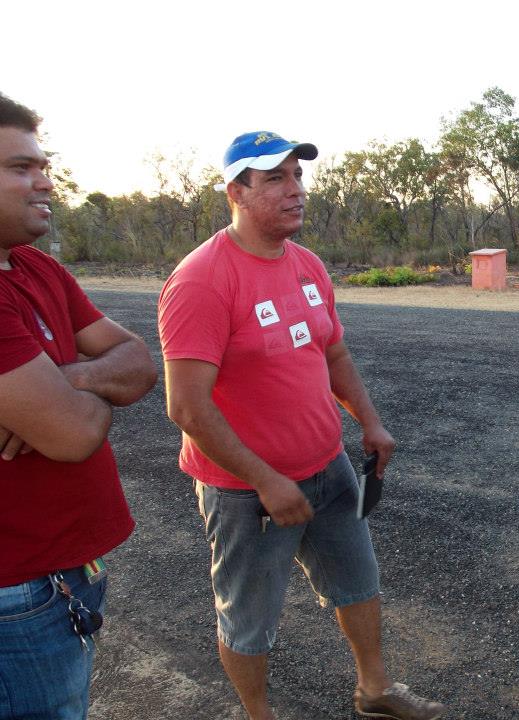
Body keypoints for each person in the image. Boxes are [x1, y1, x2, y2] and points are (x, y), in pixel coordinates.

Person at [157, 131, 445, 720]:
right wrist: (265, 480)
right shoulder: (201, 280)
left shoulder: (307, 264)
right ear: (236, 192)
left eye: (297, 176)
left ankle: (374, 690)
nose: (295, 190)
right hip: (246, 491)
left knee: (358, 581)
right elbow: (186, 407)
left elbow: (332, 353)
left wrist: (370, 422)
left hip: (326, 465)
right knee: (248, 616)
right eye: (275, 179)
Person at [0, 93, 158, 719]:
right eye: (20, 168)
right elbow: (72, 435)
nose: (45, 181)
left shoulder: (37, 269)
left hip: (58, 576)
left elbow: (140, 362)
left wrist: (66, 379)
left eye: (42, 165)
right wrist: (77, 399)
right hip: (16, 595)